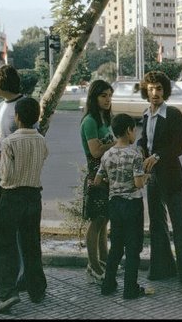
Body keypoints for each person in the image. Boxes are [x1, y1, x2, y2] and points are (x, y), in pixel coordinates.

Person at [138, 71, 182, 286]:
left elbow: (179, 145)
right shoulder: (146, 115)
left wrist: (157, 156)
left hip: (171, 176)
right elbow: (145, 140)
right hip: (153, 178)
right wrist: (139, 148)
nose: (155, 93)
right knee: (157, 225)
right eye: (151, 89)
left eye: (159, 89)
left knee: (179, 225)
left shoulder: (172, 114)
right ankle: (162, 269)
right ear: (146, 91)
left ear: (165, 91)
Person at [0, 97, 48, 314]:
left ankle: (7, 293)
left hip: (12, 195)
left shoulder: (9, 142)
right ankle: (37, 289)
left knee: (3, 245)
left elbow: (5, 174)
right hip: (34, 195)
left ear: (17, 117)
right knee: (31, 243)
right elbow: (43, 157)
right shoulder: (41, 140)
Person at [97, 113, 149, 299]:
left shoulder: (107, 154)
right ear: (128, 130)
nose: (135, 134)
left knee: (117, 246)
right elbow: (138, 183)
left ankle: (108, 284)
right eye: (134, 130)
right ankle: (130, 288)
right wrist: (146, 173)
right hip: (132, 205)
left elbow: (98, 180)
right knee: (133, 248)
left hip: (114, 204)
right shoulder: (135, 154)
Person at [0, 65, 27, 289]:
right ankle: (6, 271)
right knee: (3, 226)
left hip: (14, 176)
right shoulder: (1, 106)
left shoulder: (22, 106)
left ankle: (21, 274)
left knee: (17, 227)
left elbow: (30, 138)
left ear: (5, 81)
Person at [80, 80, 116, 284]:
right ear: (94, 98)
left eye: (110, 95)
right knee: (96, 221)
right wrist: (118, 142)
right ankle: (92, 266)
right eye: (103, 96)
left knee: (104, 220)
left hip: (107, 176)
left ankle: (104, 260)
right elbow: (95, 151)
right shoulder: (90, 121)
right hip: (97, 177)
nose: (108, 99)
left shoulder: (104, 119)